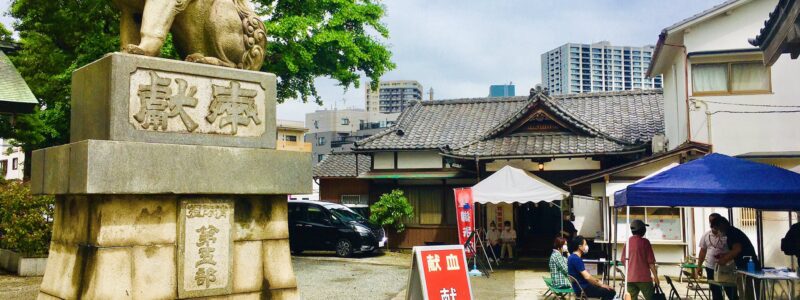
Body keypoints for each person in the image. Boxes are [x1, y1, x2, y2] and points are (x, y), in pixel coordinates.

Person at [711, 217, 760, 300]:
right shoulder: (732, 232)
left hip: (749, 268)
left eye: (716, 228)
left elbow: (737, 249)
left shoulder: (732, 233)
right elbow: (736, 250)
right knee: (744, 294)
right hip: (744, 267)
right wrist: (725, 255)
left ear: (721, 225)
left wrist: (724, 259)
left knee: (748, 294)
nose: (717, 231)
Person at [697, 213, 735, 300]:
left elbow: (734, 249)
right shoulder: (706, 235)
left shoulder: (727, 235)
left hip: (726, 267)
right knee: (715, 291)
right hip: (711, 267)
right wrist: (699, 266)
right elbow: (703, 251)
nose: (712, 224)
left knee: (730, 291)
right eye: (710, 222)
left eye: (714, 221)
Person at [568, 236, 616, 300]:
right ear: (580, 247)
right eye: (585, 244)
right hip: (583, 288)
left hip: (578, 287)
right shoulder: (576, 259)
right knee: (611, 291)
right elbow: (587, 277)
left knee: (604, 288)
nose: (587, 246)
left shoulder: (571, 257)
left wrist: (598, 283)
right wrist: (600, 284)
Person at [620, 220, 659, 300]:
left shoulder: (627, 242)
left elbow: (623, 260)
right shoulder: (645, 242)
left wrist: (631, 270)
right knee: (651, 298)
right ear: (642, 230)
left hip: (630, 278)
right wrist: (656, 277)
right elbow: (651, 262)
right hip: (644, 278)